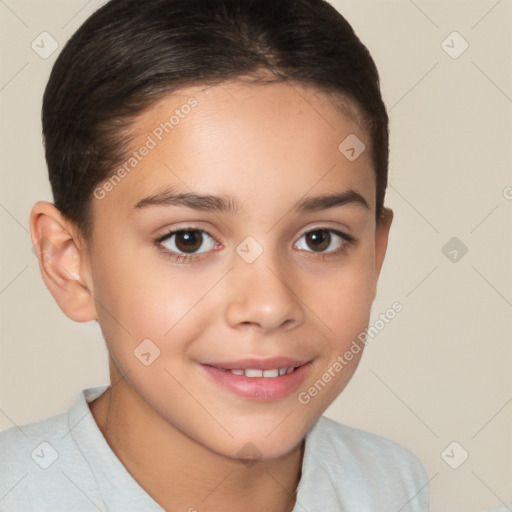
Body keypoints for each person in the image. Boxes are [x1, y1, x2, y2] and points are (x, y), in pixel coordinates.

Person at [0, 0, 430, 510]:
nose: (269, 306)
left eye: (320, 238)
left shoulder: (391, 484)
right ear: (69, 262)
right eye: (188, 240)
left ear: (375, 255)